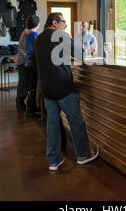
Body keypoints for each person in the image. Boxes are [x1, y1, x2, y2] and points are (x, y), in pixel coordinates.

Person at [32, 12, 99, 171]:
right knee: (76, 121)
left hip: (47, 89)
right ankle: (83, 155)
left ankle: (54, 161)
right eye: (63, 22)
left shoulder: (39, 38)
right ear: (55, 23)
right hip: (63, 87)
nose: (66, 25)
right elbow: (81, 55)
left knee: (53, 124)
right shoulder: (60, 35)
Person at [24, 15, 40, 117]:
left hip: (28, 62)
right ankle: (31, 109)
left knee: (31, 86)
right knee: (33, 86)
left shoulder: (27, 33)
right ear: (37, 24)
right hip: (33, 63)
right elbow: (33, 49)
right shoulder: (34, 34)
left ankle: (30, 108)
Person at [15, 18, 32, 112]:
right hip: (23, 61)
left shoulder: (26, 32)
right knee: (23, 84)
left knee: (24, 83)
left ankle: (21, 104)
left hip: (23, 60)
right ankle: (20, 104)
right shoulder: (28, 33)